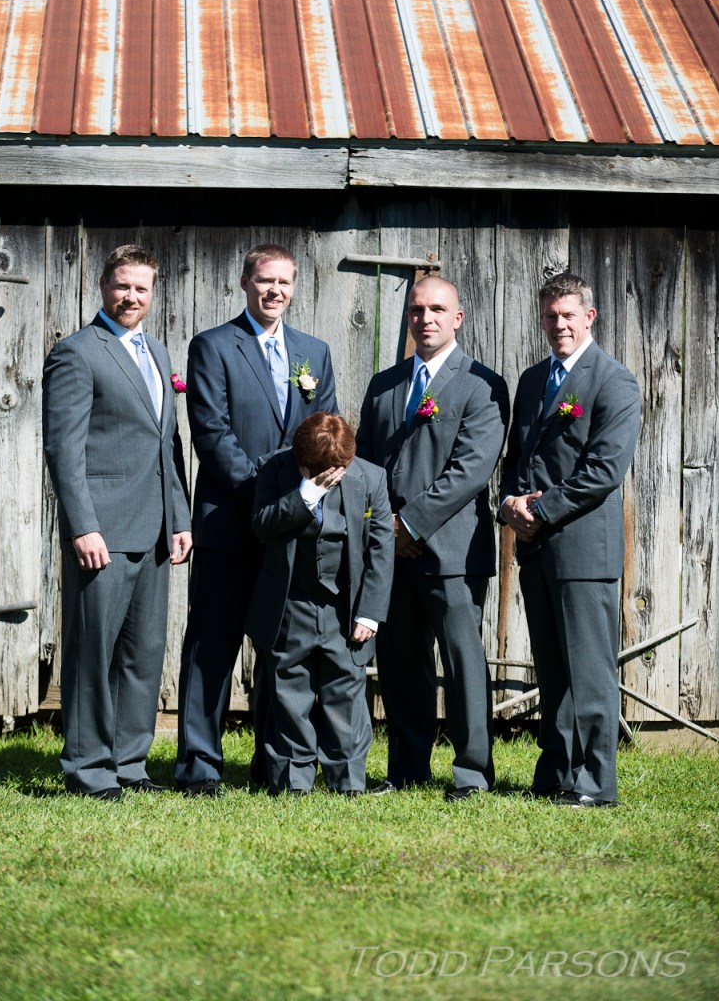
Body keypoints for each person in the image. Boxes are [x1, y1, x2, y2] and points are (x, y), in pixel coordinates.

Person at [175, 244, 338, 795]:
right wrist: (265, 499)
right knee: (212, 644)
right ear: (245, 283)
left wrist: (294, 506)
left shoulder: (313, 352)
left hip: (288, 529)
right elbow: (211, 433)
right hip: (230, 520)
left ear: (294, 287)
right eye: (265, 280)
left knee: (280, 648)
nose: (275, 291)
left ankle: (275, 765)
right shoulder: (214, 346)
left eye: (284, 282)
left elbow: (324, 430)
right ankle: (199, 766)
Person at [43, 245, 192, 800]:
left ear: (153, 294)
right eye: (122, 286)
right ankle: (89, 770)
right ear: (104, 285)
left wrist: (179, 517)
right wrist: (82, 526)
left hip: (154, 532)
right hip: (101, 532)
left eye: (141, 289)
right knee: (92, 654)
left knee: (142, 655)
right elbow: (64, 450)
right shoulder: (77, 353)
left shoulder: (157, 351)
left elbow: (166, 444)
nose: (131, 297)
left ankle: (130, 765)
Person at [356, 276, 508, 801]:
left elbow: (470, 471)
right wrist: (383, 529)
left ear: (457, 318)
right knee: (401, 663)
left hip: (453, 553)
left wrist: (408, 525)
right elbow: (365, 465)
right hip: (391, 553)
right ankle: (406, 770)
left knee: (463, 663)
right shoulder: (384, 385)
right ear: (408, 318)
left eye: (438, 310)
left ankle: (472, 772)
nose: (427, 319)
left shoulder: (482, 385)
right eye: (418, 310)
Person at [500, 271, 640, 808]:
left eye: (568, 315)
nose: (559, 324)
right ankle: (557, 772)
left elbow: (604, 470)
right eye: (550, 316)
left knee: (590, 671)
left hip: (583, 550)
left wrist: (540, 509)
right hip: (535, 548)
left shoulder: (613, 381)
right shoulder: (534, 380)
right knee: (554, 671)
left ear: (589, 317)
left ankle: (596, 782)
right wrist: (509, 503)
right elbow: (519, 457)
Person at [245, 413, 394, 795]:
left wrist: (370, 612)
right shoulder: (274, 468)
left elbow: (380, 550)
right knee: (289, 693)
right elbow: (262, 524)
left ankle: (347, 780)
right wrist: (305, 495)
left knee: (346, 694)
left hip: (344, 607)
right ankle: (292, 780)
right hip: (290, 602)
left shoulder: (371, 478)